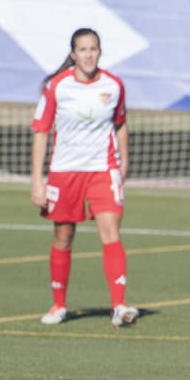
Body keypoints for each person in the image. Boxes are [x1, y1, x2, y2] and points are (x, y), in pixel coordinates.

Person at [30, 27, 139, 329]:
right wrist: (37, 180)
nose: (89, 55)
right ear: (73, 54)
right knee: (64, 236)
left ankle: (119, 306)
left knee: (110, 232)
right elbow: (41, 131)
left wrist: (124, 162)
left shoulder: (113, 85)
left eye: (93, 49)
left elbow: (121, 124)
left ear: (99, 52)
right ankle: (59, 305)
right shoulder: (57, 86)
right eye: (83, 50)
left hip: (103, 169)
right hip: (64, 171)